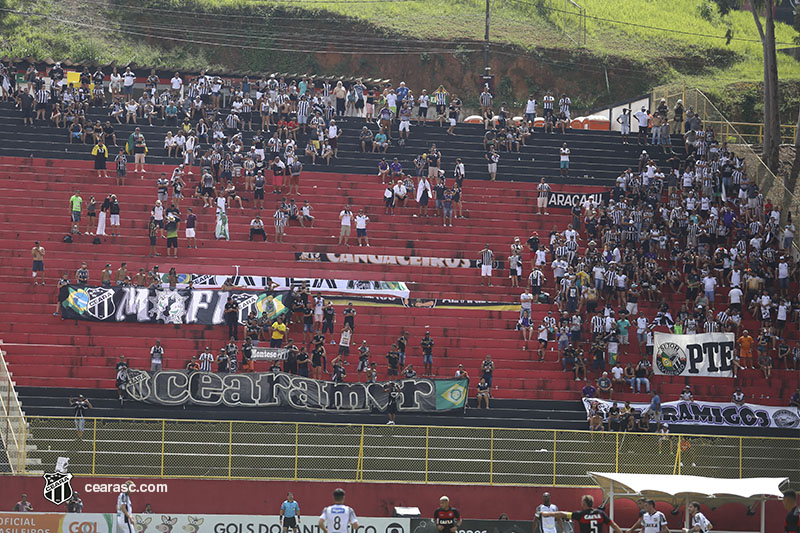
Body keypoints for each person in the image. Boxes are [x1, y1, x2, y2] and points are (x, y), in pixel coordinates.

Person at [537, 494, 622, 533]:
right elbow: (614, 525)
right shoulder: (601, 514)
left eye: (582, 502)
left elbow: (562, 514)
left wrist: (547, 514)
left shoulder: (581, 515)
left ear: (584, 504)